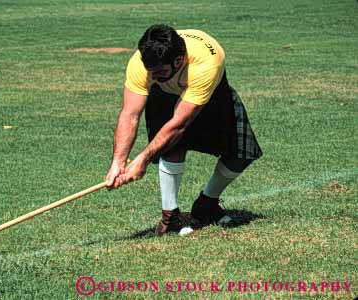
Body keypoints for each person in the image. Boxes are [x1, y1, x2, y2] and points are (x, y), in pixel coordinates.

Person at [105, 24, 262, 235]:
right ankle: (170, 217)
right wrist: (118, 162)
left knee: (241, 153)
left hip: (209, 94)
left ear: (178, 61)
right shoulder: (142, 63)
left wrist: (142, 159)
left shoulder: (206, 63)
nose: (153, 76)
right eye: (150, 72)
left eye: (160, 72)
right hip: (166, 94)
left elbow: (179, 124)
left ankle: (206, 204)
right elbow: (129, 115)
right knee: (171, 147)